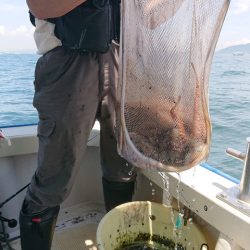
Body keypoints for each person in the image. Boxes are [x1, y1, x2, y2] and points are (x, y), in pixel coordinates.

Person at [19, 1, 137, 249]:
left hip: (121, 59)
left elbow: (149, 20)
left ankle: (119, 242)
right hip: (66, 62)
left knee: (122, 165)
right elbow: (40, 6)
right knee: (53, 180)